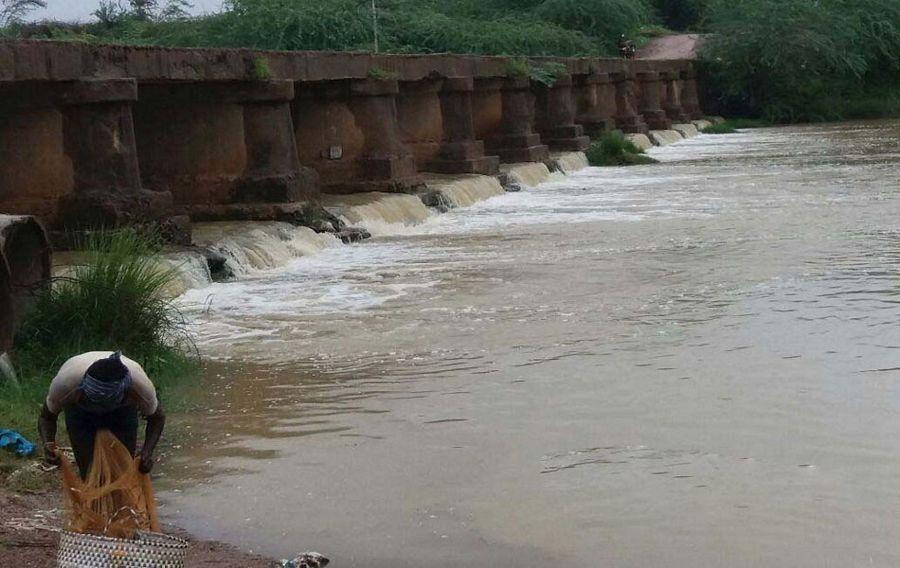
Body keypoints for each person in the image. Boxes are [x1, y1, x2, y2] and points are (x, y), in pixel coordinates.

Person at [37, 351, 165, 478]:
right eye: (96, 405)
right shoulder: (66, 384)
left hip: (121, 411)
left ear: (126, 393)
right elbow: (46, 417)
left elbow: (157, 418)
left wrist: (147, 452)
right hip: (80, 410)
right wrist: (48, 444)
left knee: (123, 465)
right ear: (81, 391)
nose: (100, 411)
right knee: (87, 468)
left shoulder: (139, 386)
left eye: (105, 406)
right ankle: (91, 491)